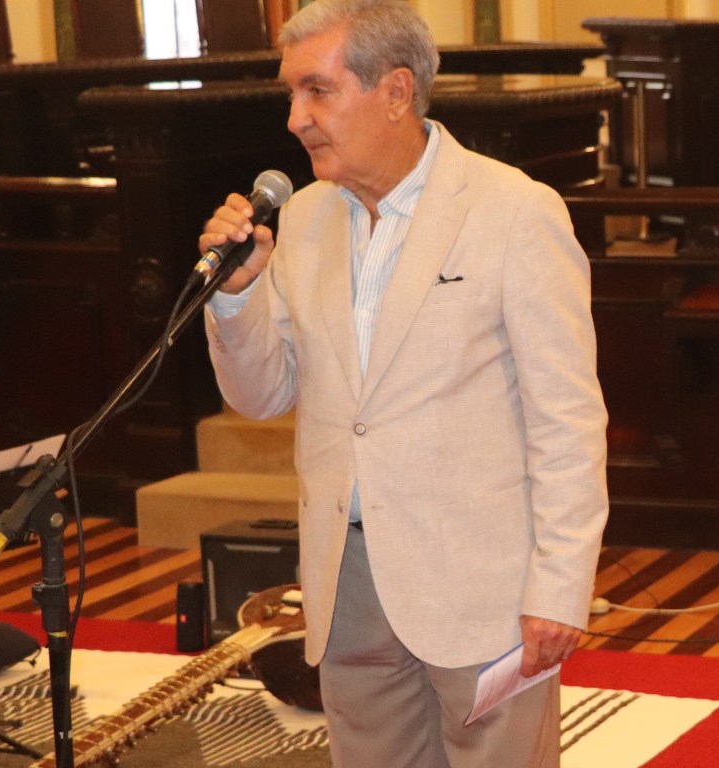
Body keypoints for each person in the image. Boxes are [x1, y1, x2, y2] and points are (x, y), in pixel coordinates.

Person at [196, 0, 607, 764]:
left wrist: (559, 586)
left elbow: (568, 420)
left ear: (394, 91)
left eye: (318, 91)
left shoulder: (514, 211)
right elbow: (260, 397)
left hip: (482, 585)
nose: (295, 118)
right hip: (348, 582)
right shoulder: (305, 220)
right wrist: (236, 296)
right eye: (292, 94)